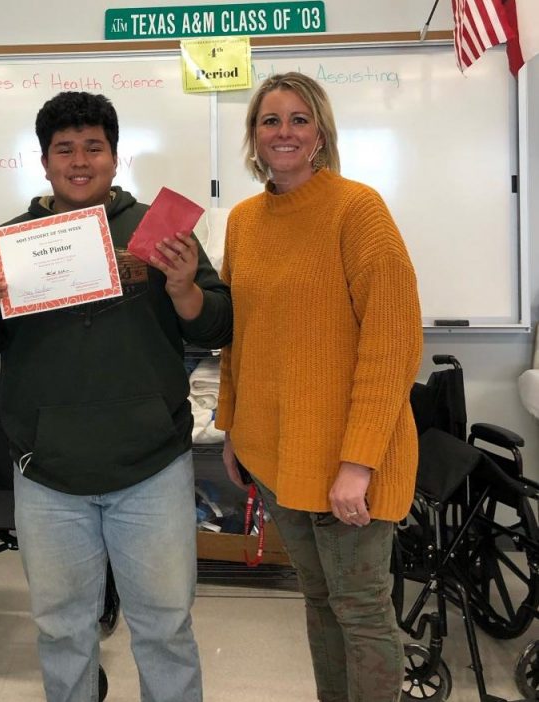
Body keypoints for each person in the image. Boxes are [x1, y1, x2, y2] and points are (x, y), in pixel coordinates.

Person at [0, 91, 232, 702]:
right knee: (60, 630)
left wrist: (183, 287)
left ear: (114, 156)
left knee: (165, 628)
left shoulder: (159, 231)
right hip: (48, 475)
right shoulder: (8, 243)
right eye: (65, 149)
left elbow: (216, 327)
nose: (80, 161)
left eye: (93, 147)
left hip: (151, 467)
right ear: (45, 162)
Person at [215, 72, 422, 702]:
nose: (284, 132)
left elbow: (392, 347)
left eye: (299, 119)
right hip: (274, 456)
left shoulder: (358, 210)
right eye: (270, 120)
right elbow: (239, 337)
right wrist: (232, 428)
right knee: (317, 600)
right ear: (254, 136)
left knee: (361, 613)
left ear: (321, 132)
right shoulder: (245, 221)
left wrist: (358, 464)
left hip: (346, 464)